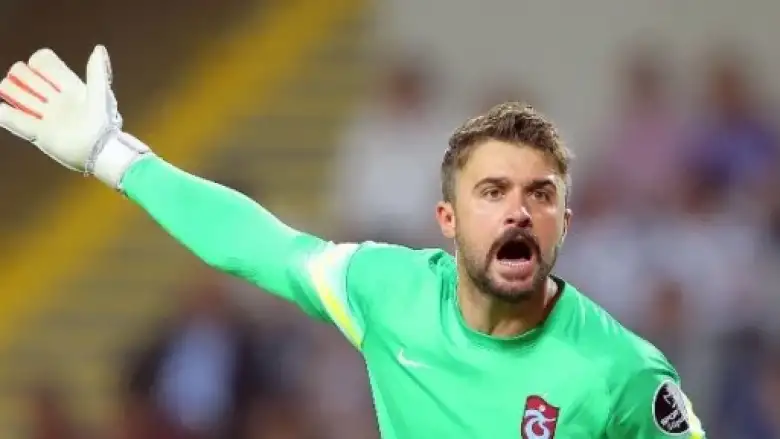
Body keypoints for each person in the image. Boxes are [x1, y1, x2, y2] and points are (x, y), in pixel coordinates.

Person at [0, 46, 707, 439]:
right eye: (493, 192)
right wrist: (112, 155)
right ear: (447, 220)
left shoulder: (622, 372)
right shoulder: (387, 292)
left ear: (565, 223)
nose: (519, 212)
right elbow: (258, 244)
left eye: (541, 195)